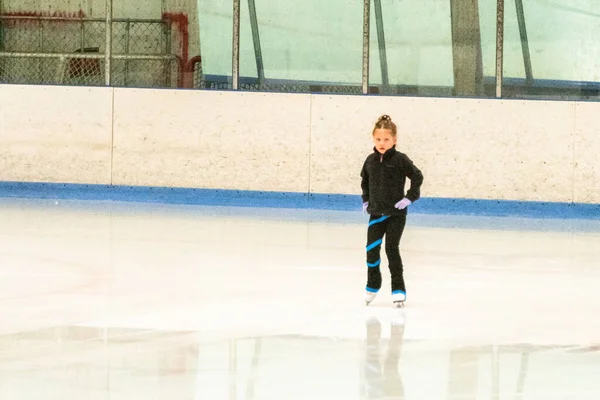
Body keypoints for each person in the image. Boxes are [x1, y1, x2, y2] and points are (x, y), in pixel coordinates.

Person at [360, 114, 424, 307]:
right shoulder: (370, 161)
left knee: (391, 249)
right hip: (376, 214)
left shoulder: (400, 160)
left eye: (386, 139)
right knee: (371, 250)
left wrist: (409, 197)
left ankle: (398, 289)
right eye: (378, 139)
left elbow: (417, 176)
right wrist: (366, 200)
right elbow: (365, 182)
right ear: (373, 138)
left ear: (394, 140)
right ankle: (373, 283)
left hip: (396, 215)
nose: (382, 142)